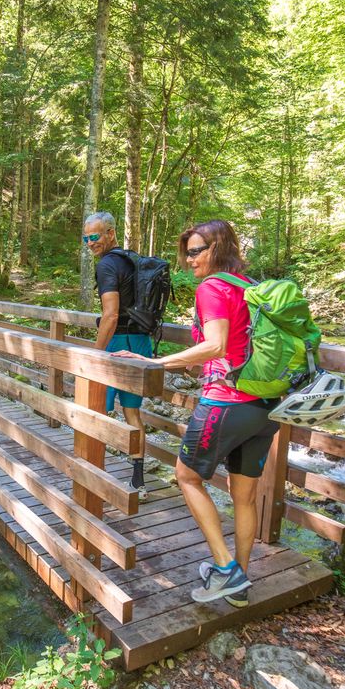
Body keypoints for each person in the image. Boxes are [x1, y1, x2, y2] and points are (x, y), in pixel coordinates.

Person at [112, 219, 278, 607]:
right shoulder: (250, 287)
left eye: (195, 252)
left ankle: (224, 569)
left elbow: (217, 346)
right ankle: (239, 581)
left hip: (227, 401)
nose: (189, 262)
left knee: (186, 477)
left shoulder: (213, 288)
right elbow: (235, 344)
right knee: (245, 498)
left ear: (217, 249)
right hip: (266, 404)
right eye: (187, 253)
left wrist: (158, 363)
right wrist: (194, 362)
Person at [83, 211, 149, 500]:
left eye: (94, 236)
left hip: (118, 342)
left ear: (110, 233)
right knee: (132, 411)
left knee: (98, 407)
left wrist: (96, 354)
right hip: (141, 342)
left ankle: (92, 475)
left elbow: (109, 315)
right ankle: (139, 480)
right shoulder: (131, 260)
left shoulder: (108, 265)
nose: (89, 243)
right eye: (86, 238)